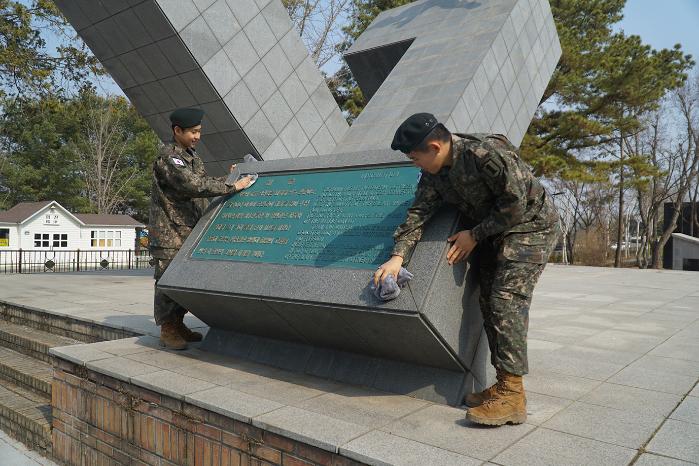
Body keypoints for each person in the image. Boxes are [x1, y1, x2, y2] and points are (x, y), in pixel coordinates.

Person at [374, 113, 560, 426]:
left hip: (531, 228)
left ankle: (513, 396)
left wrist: (474, 234)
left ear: (434, 147)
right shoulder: (435, 173)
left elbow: (515, 205)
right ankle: (505, 384)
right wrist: (397, 257)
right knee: (488, 302)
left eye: (414, 157)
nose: (413, 164)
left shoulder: (485, 155)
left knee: (505, 302)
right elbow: (418, 213)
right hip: (496, 233)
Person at [149, 107, 254, 350]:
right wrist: (232, 187)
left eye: (199, 132)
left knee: (183, 279)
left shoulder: (191, 157)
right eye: (193, 132)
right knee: (166, 281)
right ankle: (167, 329)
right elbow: (193, 185)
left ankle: (178, 324)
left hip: (188, 228)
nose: (197, 136)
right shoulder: (168, 157)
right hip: (170, 232)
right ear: (178, 131)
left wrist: (232, 176)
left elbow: (203, 182)